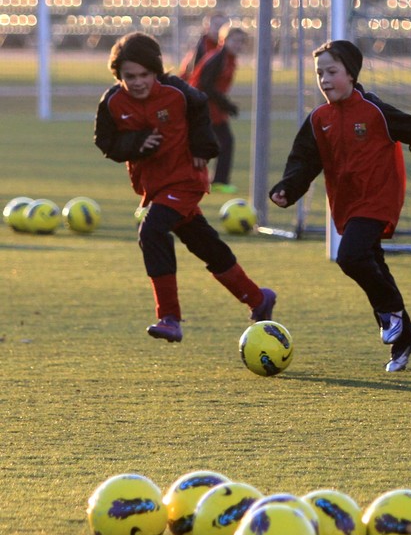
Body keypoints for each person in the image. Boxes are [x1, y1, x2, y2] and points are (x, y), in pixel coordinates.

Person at [269, 40, 411, 372]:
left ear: (351, 73)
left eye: (332, 71)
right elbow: (304, 160)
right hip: (347, 204)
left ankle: (390, 315)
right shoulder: (319, 118)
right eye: (320, 73)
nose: (324, 79)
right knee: (370, 260)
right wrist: (287, 189)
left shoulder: (375, 111)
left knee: (350, 256)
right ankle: (405, 333)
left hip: (379, 198)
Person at [94, 32, 276, 343]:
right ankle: (258, 298)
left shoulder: (177, 92)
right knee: (205, 245)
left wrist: (201, 149)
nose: (137, 82)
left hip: (185, 180)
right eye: (129, 76)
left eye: (144, 75)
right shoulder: (112, 102)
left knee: (151, 232)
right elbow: (106, 142)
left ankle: (169, 317)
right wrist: (137, 144)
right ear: (118, 75)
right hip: (154, 186)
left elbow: (201, 107)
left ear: (157, 72)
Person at [189, 26, 247, 194]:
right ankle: (215, 181)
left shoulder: (228, 58)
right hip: (205, 109)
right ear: (224, 40)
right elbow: (204, 85)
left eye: (241, 41)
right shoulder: (217, 58)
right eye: (235, 40)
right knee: (217, 143)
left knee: (222, 143)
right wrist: (226, 105)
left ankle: (217, 181)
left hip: (213, 109)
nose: (238, 45)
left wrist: (225, 105)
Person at [179, 12, 228, 79]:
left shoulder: (222, 48)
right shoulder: (201, 46)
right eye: (216, 25)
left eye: (222, 26)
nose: (219, 29)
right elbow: (191, 73)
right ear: (207, 26)